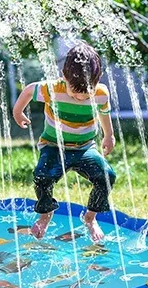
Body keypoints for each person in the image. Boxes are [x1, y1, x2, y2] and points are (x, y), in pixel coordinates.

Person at [12, 42, 117, 243]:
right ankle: (45, 215)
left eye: (86, 93)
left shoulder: (101, 93)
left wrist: (108, 135)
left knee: (107, 176)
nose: (80, 97)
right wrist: (18, 112)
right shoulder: (52, 89)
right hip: (53, 146)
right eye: (74, 91)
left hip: (85, 147)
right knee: (42, 176)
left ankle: (90, 217)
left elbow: (105, 113)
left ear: (98, 79)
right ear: (64, 76)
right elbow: (28, 90)